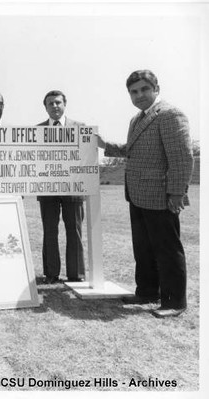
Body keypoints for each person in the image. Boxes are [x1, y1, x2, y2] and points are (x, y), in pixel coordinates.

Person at [96, 70, 193, 318]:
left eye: (143, 89)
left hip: (161, 196)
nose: (139, 95)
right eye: (133, 91)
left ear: (156, 88)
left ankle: (174, 302)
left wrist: (175, 194)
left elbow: (182, 159)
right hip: (137, 194)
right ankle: (148, 292)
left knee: (167, 249)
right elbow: (132, 150)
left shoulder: (171, 114)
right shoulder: (137, 119)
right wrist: (105, 144)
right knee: (144, 248)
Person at [37, 90, 85, 284]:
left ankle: (76, 275)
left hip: (73, 186)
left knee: (74, 230)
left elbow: (87, 156)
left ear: (65, 104)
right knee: (50, 230)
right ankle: (51, 273)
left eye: (58, 102)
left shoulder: (81, 127)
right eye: (50, 103)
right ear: (45, 107)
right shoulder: (37, 130)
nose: (55, 106)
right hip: (47, 188)